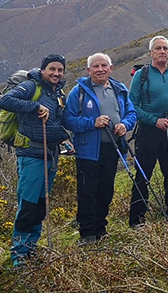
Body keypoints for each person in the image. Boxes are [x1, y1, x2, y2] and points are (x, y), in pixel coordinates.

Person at [0, 54, 69, 266]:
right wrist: (35, 106)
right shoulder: (31, 86)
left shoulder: (59, 93)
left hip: (51, 154)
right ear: (43, 70)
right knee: (28, 205)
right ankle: (19, 254)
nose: (56, 73)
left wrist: (65, 138)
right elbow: (5, 100)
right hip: (31, 155)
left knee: (40, 206)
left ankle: (31, 249)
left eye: (60, 70)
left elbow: (56, 123)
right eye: (52, 69)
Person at [65, 53, 137, 244]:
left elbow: (131, 113)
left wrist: (125, 124)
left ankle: (101, 229)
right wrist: (92, 122)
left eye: (104, 66)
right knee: (88, 191)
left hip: (112, 149)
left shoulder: (119, 89)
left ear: (110, 68)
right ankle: (87, 233)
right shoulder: (78, 92)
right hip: (87, 150)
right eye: (95, 67)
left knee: (106, 190)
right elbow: (68, 119)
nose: (100, 69)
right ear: (89, 70)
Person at [128, 35, 168, 227]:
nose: (162, 52)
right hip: (148, 133)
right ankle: (137, 221)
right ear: (151, 53)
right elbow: (132, 104)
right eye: (158, 49)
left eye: (165, 48)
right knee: (143, 176)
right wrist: (154, 120)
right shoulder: (142, 75)